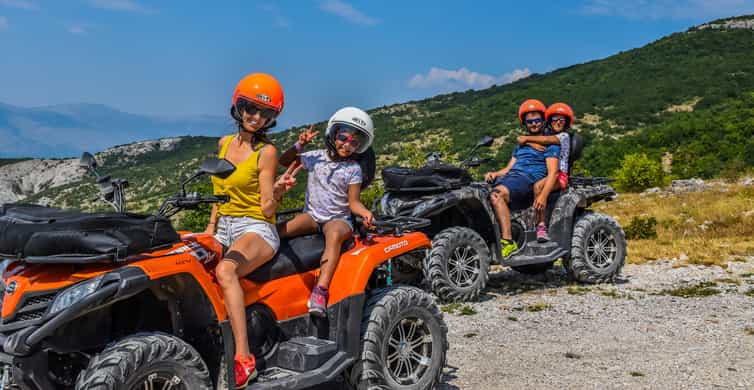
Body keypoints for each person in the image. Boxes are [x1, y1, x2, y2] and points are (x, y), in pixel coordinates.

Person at [206, 73, 301, 388]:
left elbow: (267, 209)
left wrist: (280, 189)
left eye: (265, 114)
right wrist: (210, 229)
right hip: (224, 226)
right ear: (238, 106)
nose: (256, 117)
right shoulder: (223, 144)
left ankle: (243, 356)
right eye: (251, 108)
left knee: (226, 271)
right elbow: (219, 194)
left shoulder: (267, 152)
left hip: (256, 226)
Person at [277, 107, 375, 316]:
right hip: (312, 216)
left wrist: (365, 212)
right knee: (279, 230)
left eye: (354, 143)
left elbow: (353, 202)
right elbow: (283, 161)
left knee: (334, 235)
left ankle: (320, 290)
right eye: (343, 137)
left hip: (338, 218)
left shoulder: (353, 169)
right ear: (333, 134)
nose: (347, 145)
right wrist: (300, 144)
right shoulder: (315, 157)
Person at [484, 99, 560, 256]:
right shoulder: (520, 145)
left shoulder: (550, 144)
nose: (534, 124)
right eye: (530, 121)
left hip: (528, 180)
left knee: (497, 195)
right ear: (525, 123)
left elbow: (553, 172)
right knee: (478, 193)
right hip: (512, 177)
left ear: (543, 121)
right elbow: (508, 168)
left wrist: (543, 195)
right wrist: (494, 174)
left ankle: (507, 242)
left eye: (537, 120)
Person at [515, 102, 574, 242]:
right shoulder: (547, 133)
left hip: (560, 175)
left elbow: (547, 140)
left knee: (538, 187)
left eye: (561, 120)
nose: (558, 122)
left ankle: (541, 227)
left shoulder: (564, 136)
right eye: (554, 120)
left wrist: (526, 139)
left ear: (566, 123)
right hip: (547, 172)